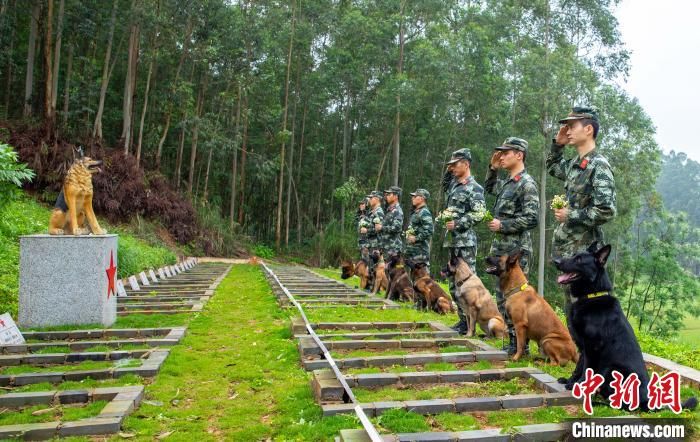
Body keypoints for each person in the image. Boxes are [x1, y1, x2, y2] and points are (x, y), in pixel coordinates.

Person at [546, 106, 616, 316]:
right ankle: (575, 349)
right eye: (566, 127)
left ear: (588, 129)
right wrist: (558, 145)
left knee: (584, 310)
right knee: (572, 309)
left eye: (572, 126)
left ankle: (583, 350)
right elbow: (552, 166)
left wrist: (571, 215)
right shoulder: (576, 164)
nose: (567, 131)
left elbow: (606, 210)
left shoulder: (599, 165)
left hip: (584, 253)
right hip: (569, 249)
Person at [485, 137, 540, 355]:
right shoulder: (509, 182)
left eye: (506, 152)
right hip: (501, 249)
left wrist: (503, 225)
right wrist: (492, 168)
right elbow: (489, 188)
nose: (502, 156)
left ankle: (521, 346)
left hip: (516, 251)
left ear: (519, 155)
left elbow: (532, 218)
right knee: (502, 297)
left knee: (517, 299)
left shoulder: (527, 184)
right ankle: (512, 342)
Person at [441, 148, 486, 334]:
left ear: (466, 164)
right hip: (452, 241)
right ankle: (462, 320)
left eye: (455, 164)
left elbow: (479, 213)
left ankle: (473, 324)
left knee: (468, 286)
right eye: (450, 165)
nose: (451, 168)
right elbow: (444, 182)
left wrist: (458, 223)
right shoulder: (453, 185)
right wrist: (450, 168)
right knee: (453, 285)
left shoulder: (474, 187)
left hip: (465, 242)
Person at [405, 189, 434, 272]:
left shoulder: (424, 212)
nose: (412, 198)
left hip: (421, 251)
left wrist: (416, 238)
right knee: (415, 278)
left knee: (423, 278)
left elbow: (429, 230)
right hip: (413, 251)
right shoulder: (416, 212)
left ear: (422, 198)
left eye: (415, 196)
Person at [361, 191, 385, 289]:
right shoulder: (372, 211)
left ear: (377, 199)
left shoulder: (379, 212)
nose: (369, 200)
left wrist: (367, 229)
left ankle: (373, 288)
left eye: (371, 198)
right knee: (370, 265)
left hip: (376, 243)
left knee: (374, 266)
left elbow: (378, 228)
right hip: (370, 242)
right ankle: (370, 287)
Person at [355, 198, 370, 263]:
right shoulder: (358, 214)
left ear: (366, 205)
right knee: (363, 258)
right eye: (360, 204)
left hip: (368, 240)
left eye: (362, 204)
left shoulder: (370, 214)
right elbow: (356, 223)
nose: (361, 205)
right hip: (361, 239)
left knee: (367, 259)